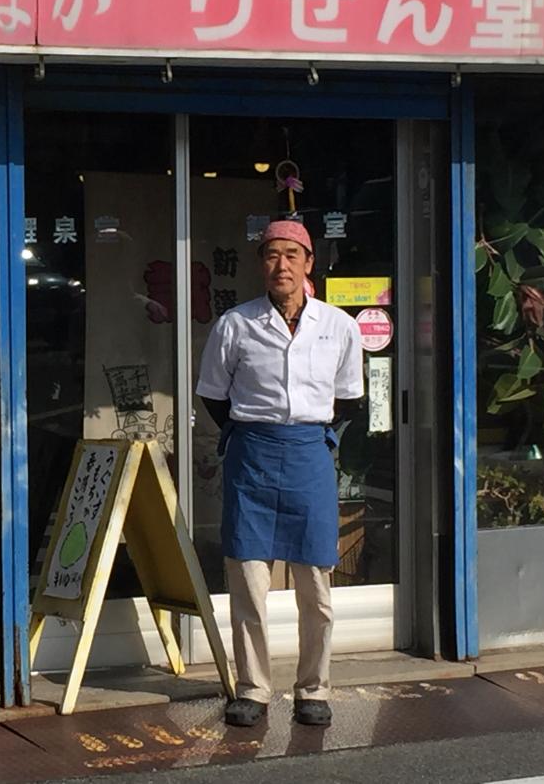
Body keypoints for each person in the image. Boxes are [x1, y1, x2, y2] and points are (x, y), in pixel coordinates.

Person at [196, 218, 364, 728]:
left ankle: (314, 687)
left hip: (310, 454)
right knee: (248, 581)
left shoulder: (340, 326)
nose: (281, 265)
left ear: (309, 263)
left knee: (316, 582)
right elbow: (213, 396)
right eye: (272, 255)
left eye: (292, 255)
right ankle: (252, 688)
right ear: (261, 264)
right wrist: (253, 433)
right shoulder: (235, 324)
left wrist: (314, 436)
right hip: (252, 456)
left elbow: (350, 398)